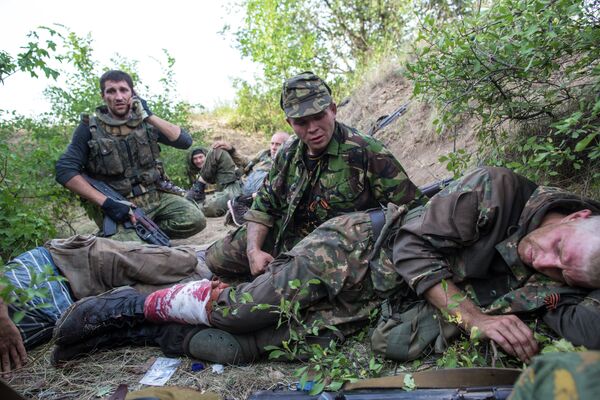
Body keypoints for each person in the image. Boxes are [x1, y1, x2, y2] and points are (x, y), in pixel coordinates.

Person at [50, 167, 600, 366]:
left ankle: (147, 333)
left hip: (383, 297)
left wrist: (565, 290)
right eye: (557, 249)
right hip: (355, 249)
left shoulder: (562, 276)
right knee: (243, 311)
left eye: (561, 273)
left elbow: (580, 323)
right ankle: (128, 304)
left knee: (254, 343)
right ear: (575, 214)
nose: (542, 261)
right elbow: (411, 247)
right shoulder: (498, 190)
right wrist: (474, 319)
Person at [205, 71, 421, 279]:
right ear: (289, 123)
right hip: (286, 234)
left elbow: (414, 212)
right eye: (301, 122)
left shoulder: (366, 152)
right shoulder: (287, 153)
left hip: (335, 252)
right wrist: (253, 251)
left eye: (319, 117)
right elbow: (263, 206)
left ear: (333, 110)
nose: (313, 128)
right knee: (214, 259)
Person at [0, 234, 209, 374]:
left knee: (184, 261)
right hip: (88, 309)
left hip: (65, 264)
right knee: (185, 292)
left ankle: (215, 251)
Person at [55, 70, 205, 242]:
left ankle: (139, 235)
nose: (118, 97)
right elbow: (64, 170)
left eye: (123, 90)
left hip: (155, 196)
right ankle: (121, 238)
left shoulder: (144, 122)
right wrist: (107, 204)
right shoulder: (90, 128)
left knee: (196, 220)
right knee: (136, 251)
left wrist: (148, 115)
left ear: (133, 94)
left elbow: (184, 141)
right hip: (120, 206)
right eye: (111, 91)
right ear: (103, 96)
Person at [185, 131, 290, 217]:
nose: (273, 147)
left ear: (286, 146)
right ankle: (198, 188)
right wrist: (231, 150)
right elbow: (246, 163)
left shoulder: (289, 162)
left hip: (247, 196)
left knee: (211, 208)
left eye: (278, 144)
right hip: (238, 184)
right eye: (272, 143)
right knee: (217, 151)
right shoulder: (264, 154)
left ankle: (190, 207)